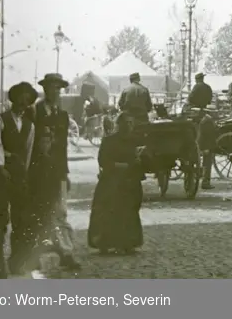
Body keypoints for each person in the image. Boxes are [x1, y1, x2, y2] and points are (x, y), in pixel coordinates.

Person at [26, 73, 79, 273]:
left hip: (57, 172)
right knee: (39, 212)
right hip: (39, 172)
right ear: (45, 89)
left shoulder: (62, 115)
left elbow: (63, 147)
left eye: (58, 88)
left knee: (61, 212)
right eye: (51, 87)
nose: (55, 91)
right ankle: (38, 256)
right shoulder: (35, 112)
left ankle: (66, 253)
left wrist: (65, 173)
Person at [87, 113, 144, 255]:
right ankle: (105, 242)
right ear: (120, 125)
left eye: (131, 123)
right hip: (111, 180)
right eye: (126, 123)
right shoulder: (109, 141)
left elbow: (139, 161)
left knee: (130, 211)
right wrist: (121, 166)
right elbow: (103, 161)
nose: (129, 126)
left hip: (130, 180)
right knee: (108, 210)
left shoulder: (134, 141)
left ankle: (128, 242)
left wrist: (139, 161)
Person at [0, 82, 37, 275]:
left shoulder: (30, 126)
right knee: (0, 218)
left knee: (20, 219)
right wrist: (7, 157)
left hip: (19, 177)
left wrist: (25, 174)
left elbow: (28, 154)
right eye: (21, 97)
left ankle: (16, 260)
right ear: (13, 98)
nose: (24, 102)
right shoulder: (1, 120)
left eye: (27, 99)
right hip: (2, 175)